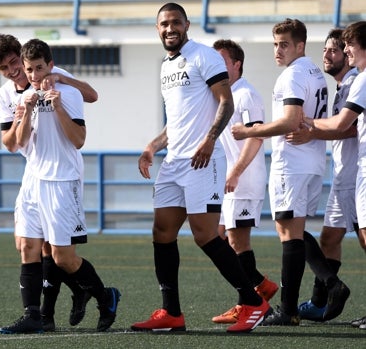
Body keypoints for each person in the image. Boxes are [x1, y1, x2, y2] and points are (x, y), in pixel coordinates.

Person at [130, 3, 270, 334]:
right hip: (174, 162)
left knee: (204, 234)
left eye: (175, 22)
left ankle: (253, 302)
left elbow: (226, 101)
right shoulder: (166, 66)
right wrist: (152, 146)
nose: (169, 28)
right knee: (161, 232)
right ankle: (171, 312)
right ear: (157, 28)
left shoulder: (204, 56)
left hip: (203, 160)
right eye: (163, 23)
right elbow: (177, 123)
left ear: (187, 25)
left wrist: (209, 141)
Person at [231, 18, 350, 326]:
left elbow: (290, 120)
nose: (278, 50)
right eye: (275, 44)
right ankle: (323, 288)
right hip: (312, 161)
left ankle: (292, 309)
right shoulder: (313, 71)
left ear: (299, 45)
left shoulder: (293, 74)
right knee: (293, 231)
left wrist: (249, 131)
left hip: (292, 163)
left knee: (287, 234)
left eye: (284, 44)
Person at [0, 38, 121, 334]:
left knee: (62, 257)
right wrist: (26, 111)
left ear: (50, 65)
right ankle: (33, 315)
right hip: (32, 179)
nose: (33, 75)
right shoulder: (19, 96)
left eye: (38, 68)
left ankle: (106, 297)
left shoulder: (66, 91)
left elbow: (78, 140)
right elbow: (20, 143)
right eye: (29, 70)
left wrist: (58, 106)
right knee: (27, 245)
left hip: (62, 180)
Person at [285, 28, 363, 322]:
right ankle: (321, 300)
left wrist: (310, 128)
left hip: (356, 176)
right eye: (326, 50)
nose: (327, 56)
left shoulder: (356, 80)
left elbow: (349, 127)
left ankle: (328, 294)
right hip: (344, 174)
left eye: (335, 50)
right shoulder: (344, 85)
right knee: (329, 238)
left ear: (348, 53)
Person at [210, 39, 278, 325]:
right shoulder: (225, 94)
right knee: (217, 236)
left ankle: (251, 303)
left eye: (222, 61)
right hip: (230, 181)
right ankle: (260, 287)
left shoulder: (246, 94)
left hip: (244, 179)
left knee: (237, 241)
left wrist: (236, 171)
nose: (217, 67)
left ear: (236, 64)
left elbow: (256, 137)